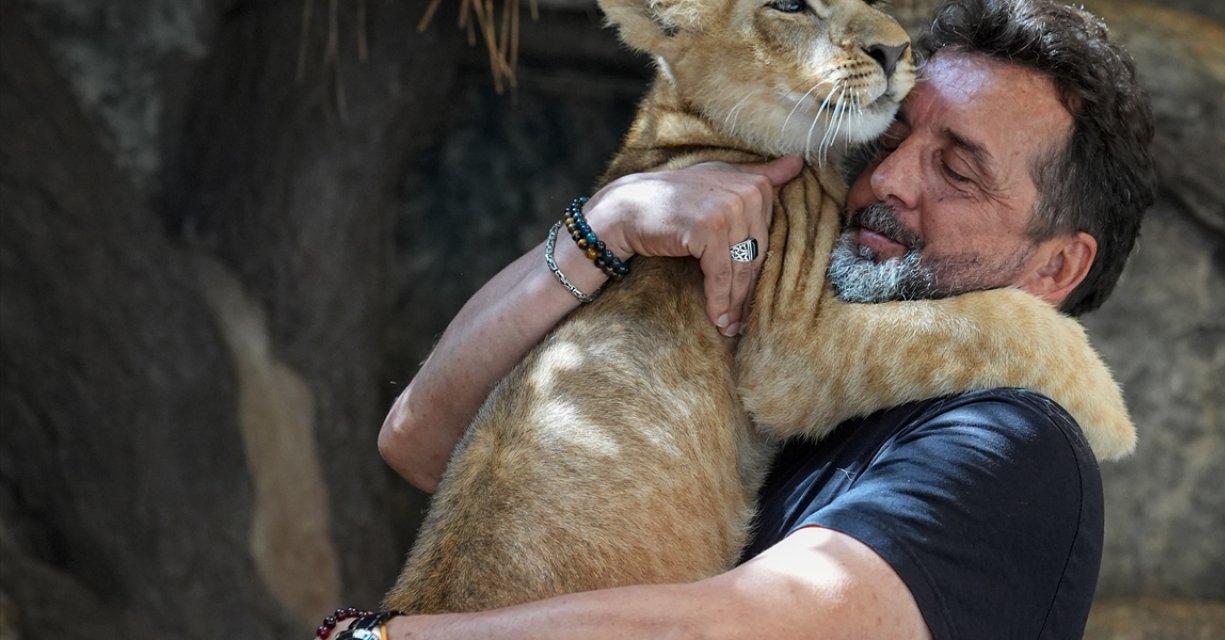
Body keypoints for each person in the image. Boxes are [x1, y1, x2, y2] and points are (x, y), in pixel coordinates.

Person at [338, 0, 1156, 637]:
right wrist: (605, 225)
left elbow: (742, 629)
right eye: (889, 136)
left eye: (957, 171)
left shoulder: (1013, 444)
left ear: (1058, 267)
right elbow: (416, 440)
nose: (885, 181)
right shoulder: (744, 258)